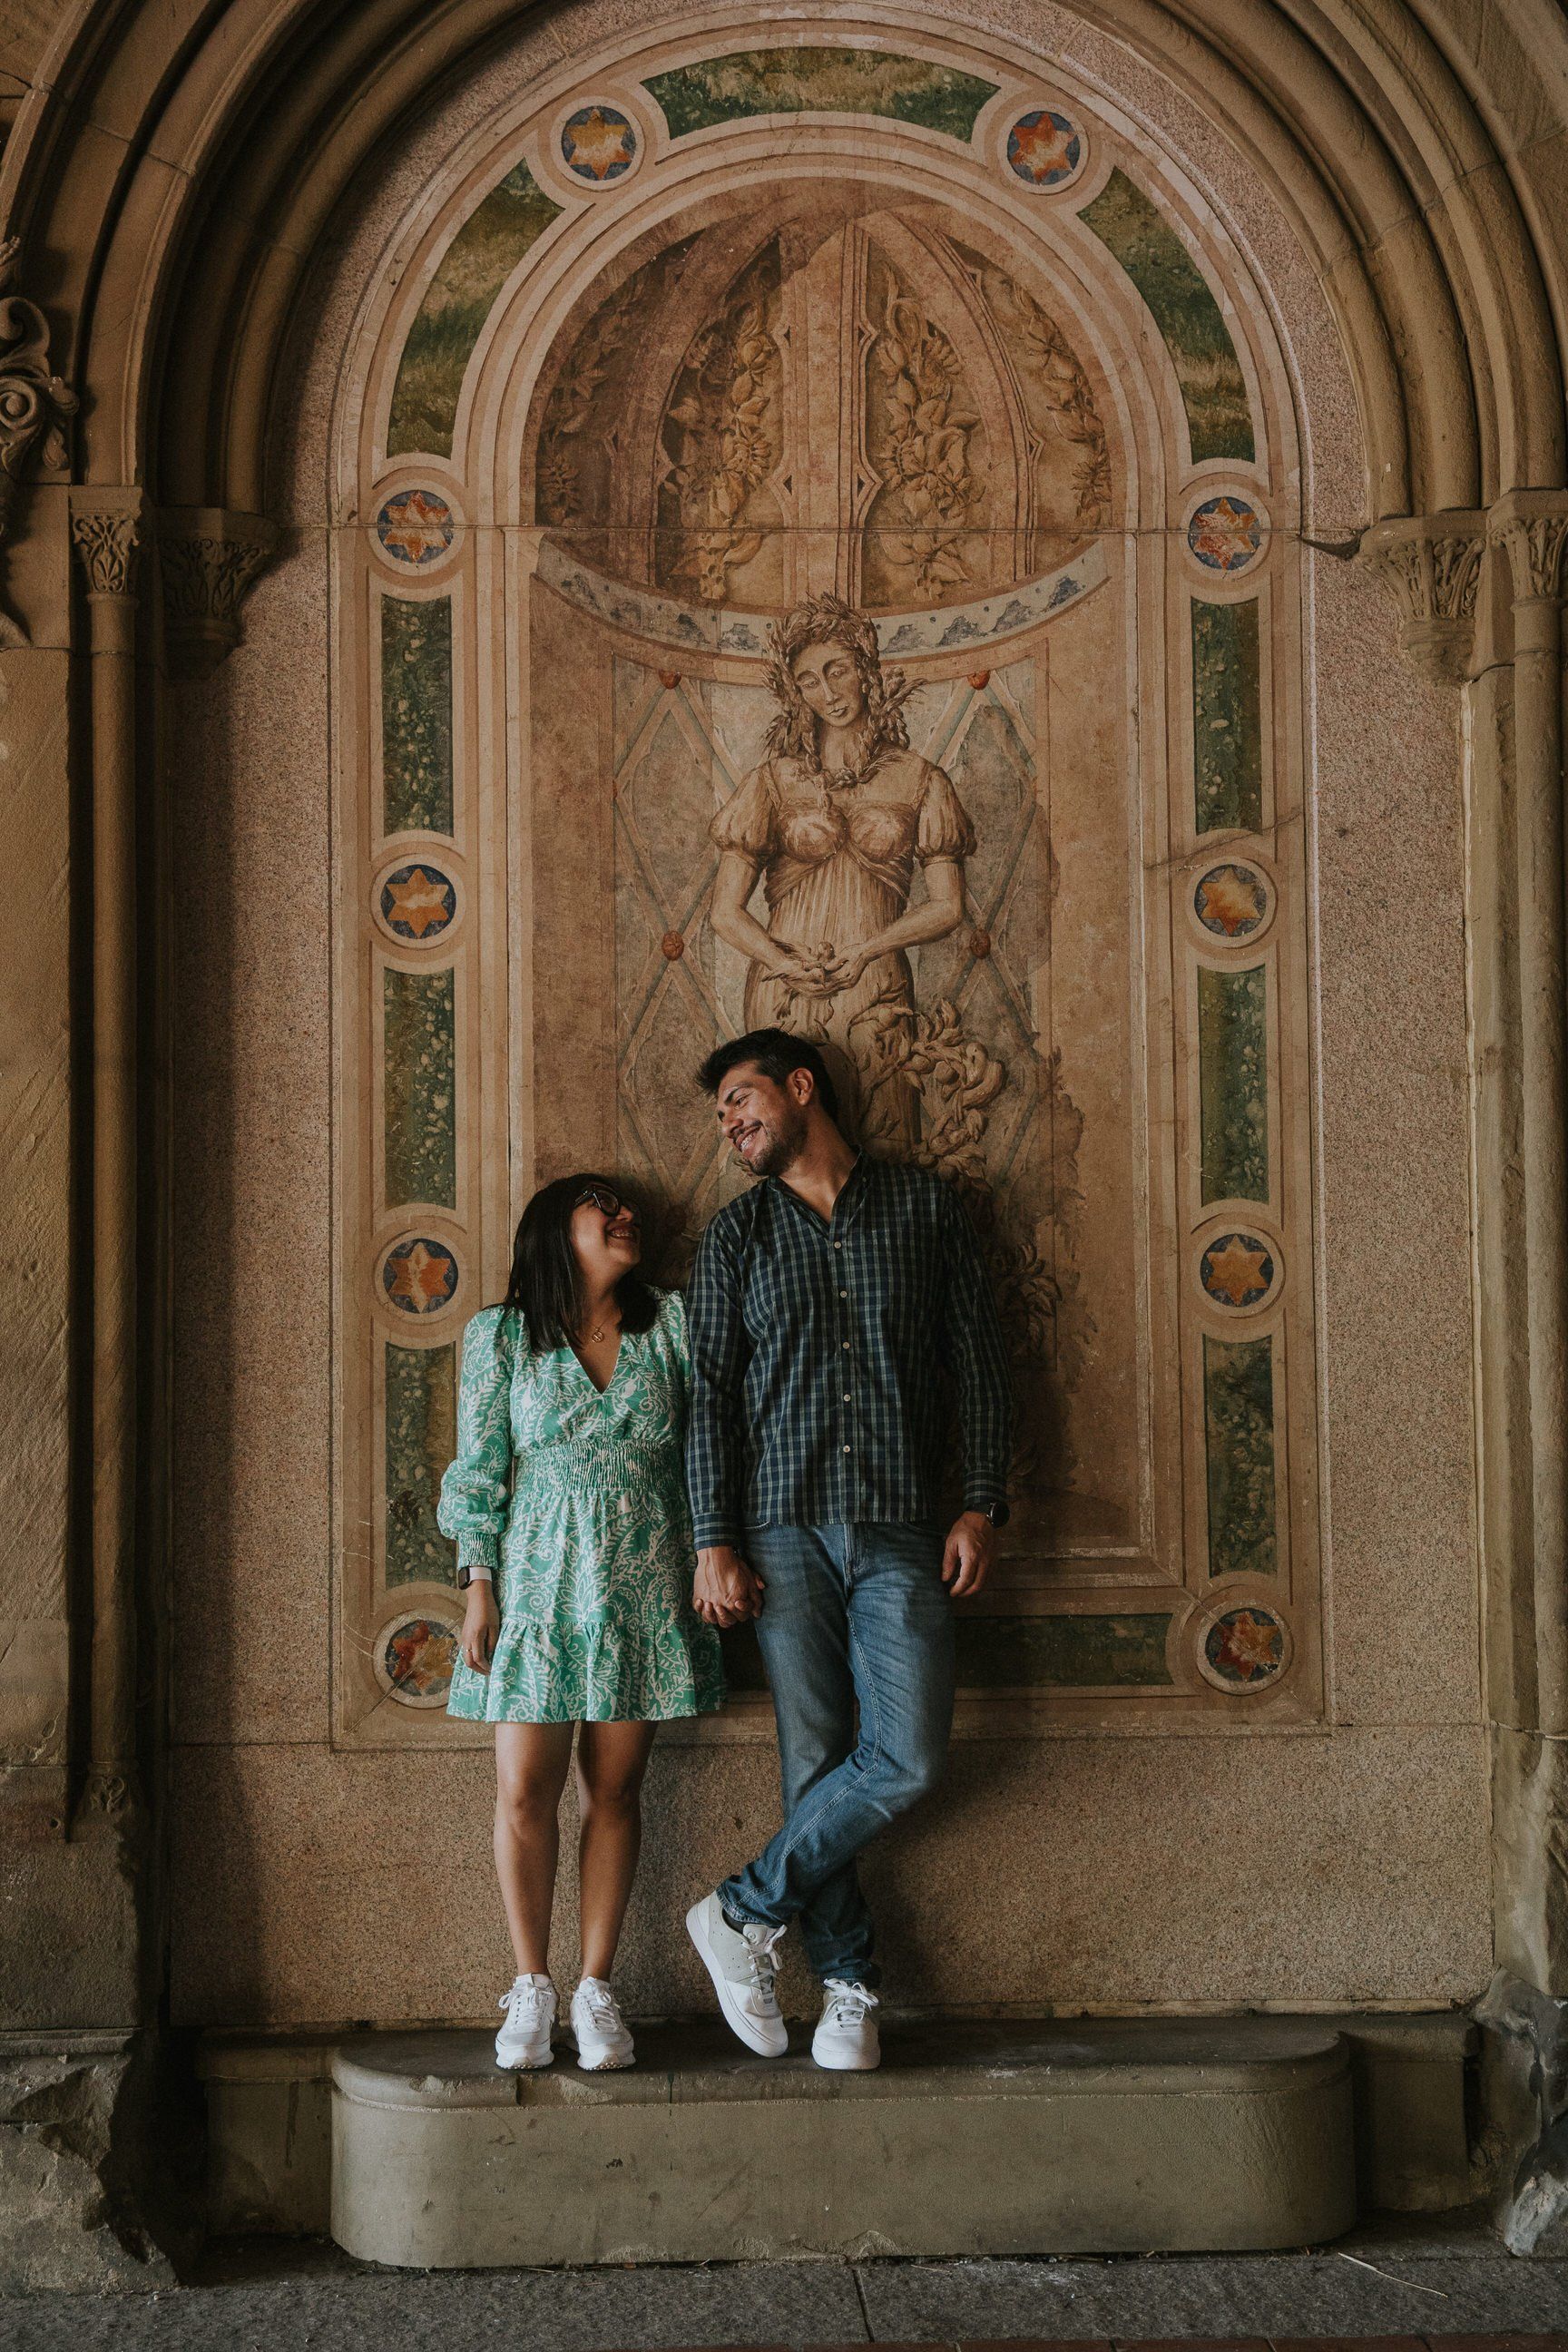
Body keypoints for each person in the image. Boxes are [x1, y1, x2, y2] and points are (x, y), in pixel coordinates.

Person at [682, 1030, 1013, 2070]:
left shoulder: (923, 1208)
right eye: (721, 1115)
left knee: (906, 1757)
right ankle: (849, 1987)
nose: (731, 1124)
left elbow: (979, 1361)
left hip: (902, 1522)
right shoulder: (736, 1237)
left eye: (741, 1100)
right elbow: (709, 1400)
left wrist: (982, 1503)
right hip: (779, 1533)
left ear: (801, 1087)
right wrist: (711, 1538)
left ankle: (741, 1910)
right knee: (815, 1762)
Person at [438, 1175, 724, 2073]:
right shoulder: (502, 1335)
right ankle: (532, 1983)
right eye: (603, 1204)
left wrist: (714, 1552)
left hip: (643, 1587)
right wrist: (478, 1585)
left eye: (629, 1207)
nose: (624, 1216)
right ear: (555, 1228)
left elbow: (710, 1450)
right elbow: (478, 1468)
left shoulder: (672, 1325)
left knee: (616, 1790)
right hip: (534, 1590)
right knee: (525, 1789)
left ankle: (597, 1987)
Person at [705, 593, 976, 1154]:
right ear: (796, 693)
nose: (827, 693)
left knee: (883, 1143)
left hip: (874, 986)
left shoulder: (920, 778)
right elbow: (725, 912)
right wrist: (781, 962)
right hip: (785, 989)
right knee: (785, 1146)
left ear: (865, 670)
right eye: (809, 681)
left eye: (837, 671)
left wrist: (867, 951)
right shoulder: (774, 780)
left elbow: (948, 906)